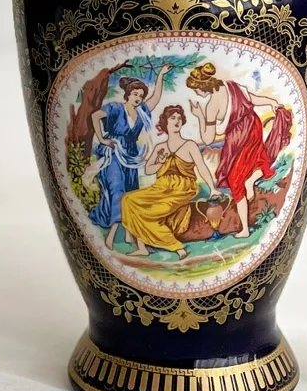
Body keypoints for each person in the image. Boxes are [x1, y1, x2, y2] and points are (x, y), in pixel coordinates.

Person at [186, 62, 292, 238]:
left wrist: (200, 116)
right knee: (257, 159)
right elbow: (252, 98)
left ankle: (244, 228)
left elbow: (207, 139)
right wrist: (271, 102)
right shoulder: (231, 86)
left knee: (235, 181)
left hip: (238, 138)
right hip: (253, 125)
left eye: (196, 90)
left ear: (202, 87)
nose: (197, 93)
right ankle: (250, 183)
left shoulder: (211, 105)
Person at [87, 64, 170, 251]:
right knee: (118, 190)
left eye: (141, 96)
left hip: (131, 155)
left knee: (131, 192)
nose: (138, 99)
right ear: (128, 95)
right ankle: (111, 235)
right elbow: (95, 116)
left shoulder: (142, 112)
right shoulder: (115, 108)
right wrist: (102, 138)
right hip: (114, 154)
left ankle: (129, 233)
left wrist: (161, 75)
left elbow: (156, 97)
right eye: (135, 95)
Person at [118, 105, 220, 260]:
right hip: (161, 187)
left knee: (149, 211)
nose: (177, 121)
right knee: (128, 199)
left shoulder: (189, 145)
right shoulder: (161, 147)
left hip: (182, 188)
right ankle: (142, 247)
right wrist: (160, 161)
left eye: (179, 118)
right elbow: (149, 170)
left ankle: (177, 248)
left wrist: (212, 189)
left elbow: (201, 167)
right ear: (165, 122)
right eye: (173, 118)